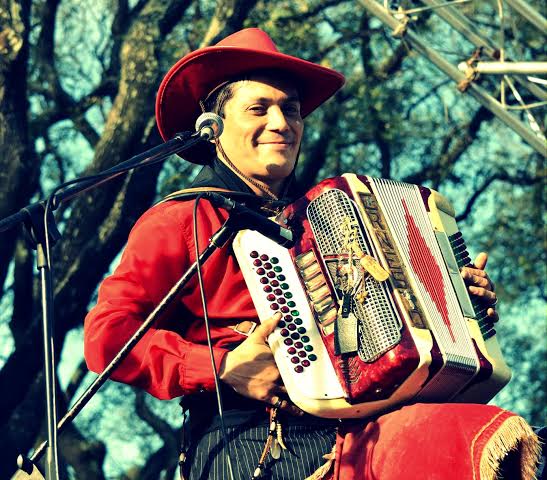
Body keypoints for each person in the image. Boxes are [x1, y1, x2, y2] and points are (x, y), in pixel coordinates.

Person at [84, 28, 540, 480]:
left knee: (516, 446)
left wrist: (459, 305)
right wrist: (223, 366)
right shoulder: (180, 219)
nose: (281, 124)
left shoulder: (325, 221)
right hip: (253, 441)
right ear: (213, 129)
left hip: (362, 428)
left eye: (291, 110)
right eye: (259, 109)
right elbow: (106, 335)